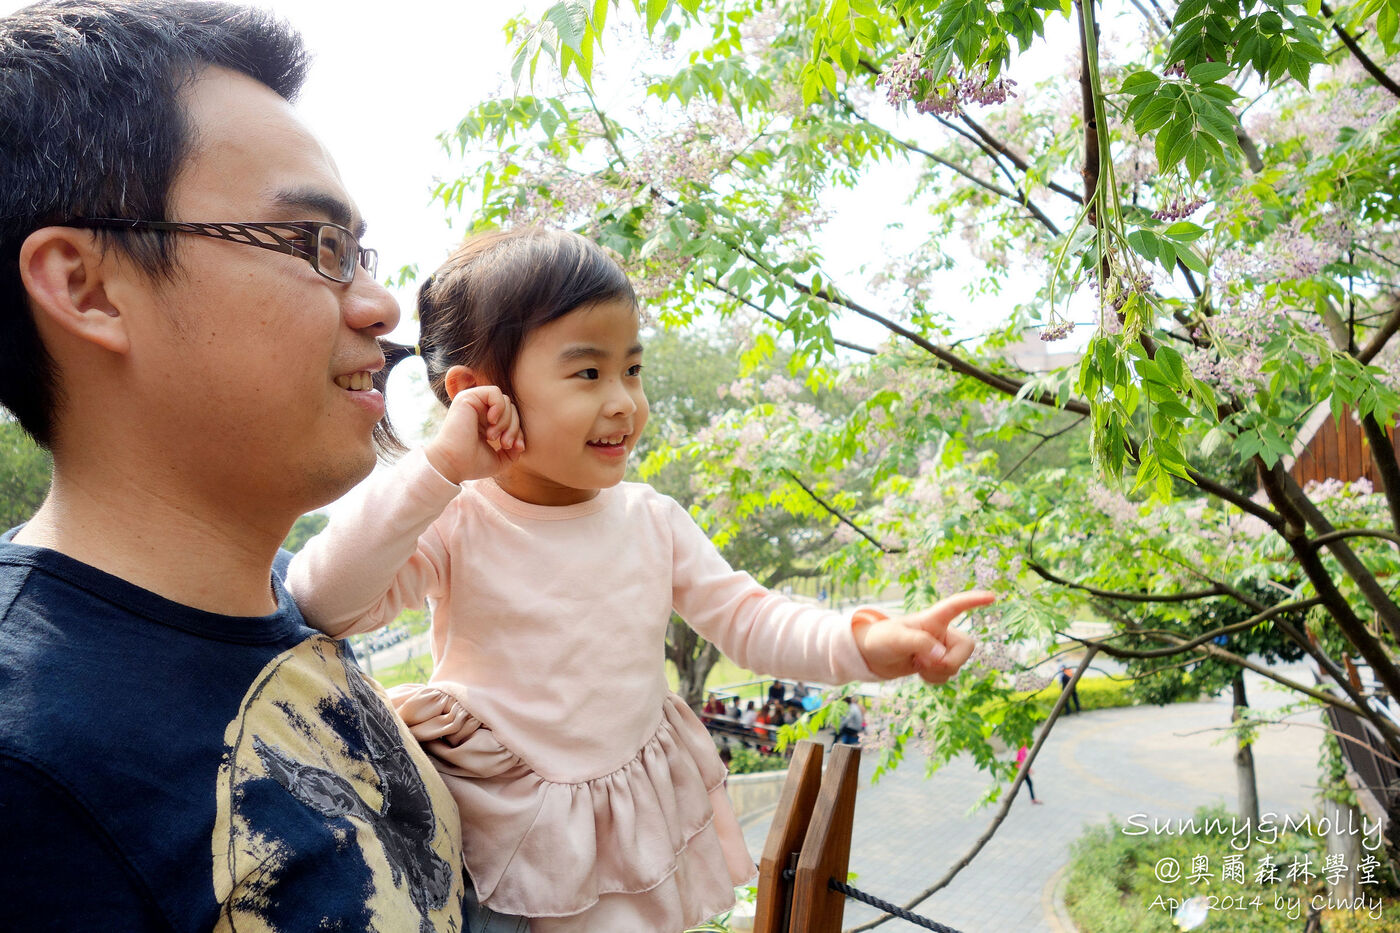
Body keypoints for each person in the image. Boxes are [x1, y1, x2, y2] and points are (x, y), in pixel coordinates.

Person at [286, 226, 995, 932]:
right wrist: (438, 467)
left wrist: (865, 644)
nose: (624, 400)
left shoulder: (651, 520)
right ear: (479, 394)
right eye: (588, 373)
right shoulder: (458, 522)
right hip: (500, 827)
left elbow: (750, 619)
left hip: (620, 821)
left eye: (633, 368)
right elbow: (323, 596)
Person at [0, 3, 466, 930]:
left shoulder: (292, 598)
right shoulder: (28, 770)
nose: (378, 304)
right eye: (317, 246)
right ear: (87, 286)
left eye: (359, 251)